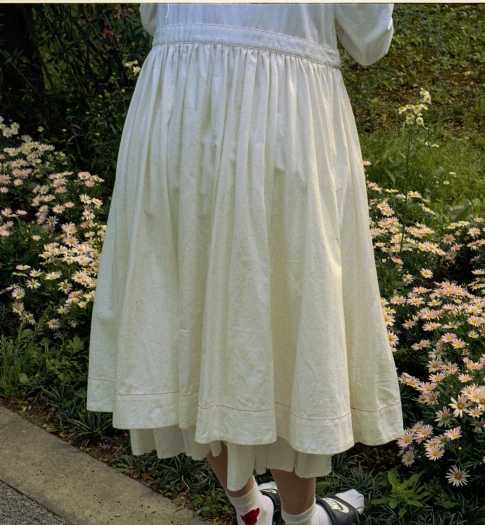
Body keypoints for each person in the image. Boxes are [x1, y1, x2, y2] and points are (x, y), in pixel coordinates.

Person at [85, 4, 404, 525]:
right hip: (282, 115)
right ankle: (300, 522)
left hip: (178, 108)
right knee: (286, 303)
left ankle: (249, 509)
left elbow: (153, 15)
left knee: (191, 306)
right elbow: (370, 40)